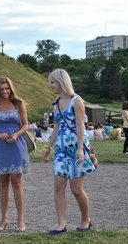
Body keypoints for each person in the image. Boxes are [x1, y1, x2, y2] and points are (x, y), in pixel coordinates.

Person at [43, 68, 96, 235]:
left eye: (52, 82)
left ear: (61, 82)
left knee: (76, 189)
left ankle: (85, 219)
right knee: (58, 185)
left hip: (76, 148)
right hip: (61, 149)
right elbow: (57, 127)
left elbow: (81, 126)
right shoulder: (56, 102)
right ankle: (61, 224)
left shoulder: (77, 101)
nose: (50, 85)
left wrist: (80, 149)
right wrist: (48, 147)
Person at [0, 77, 30, 232]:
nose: (5, 91)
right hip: (0, 145)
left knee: (17, 182)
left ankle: (20, 219)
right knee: (3, 181)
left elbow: (25, 125)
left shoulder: (19, 104)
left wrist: (17, 134)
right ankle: (4, 218)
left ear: (11, 88)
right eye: (1, 89)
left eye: (7, 88)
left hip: (17, 144)